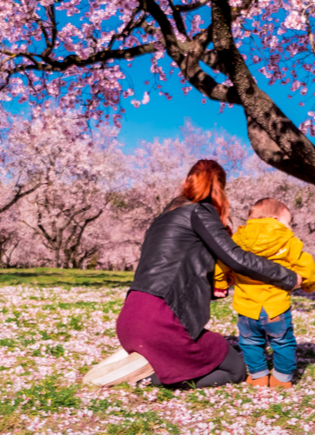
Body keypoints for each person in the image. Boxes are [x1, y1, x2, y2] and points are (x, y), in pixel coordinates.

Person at [101, 160, 302, 389]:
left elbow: (176, 270)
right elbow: (236, 257)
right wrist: (287, 276)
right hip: (160, 320)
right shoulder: (200, 211)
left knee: (200, 353)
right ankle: (145, 379)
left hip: (130, 319)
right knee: (234, 369)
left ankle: (150, 361)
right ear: (220, 189)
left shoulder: (162, 220)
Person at [213, 198, 315, 388]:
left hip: (247, 307)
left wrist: (220, 284)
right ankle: (281, 379)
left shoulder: (238, 239)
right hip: (275, 306)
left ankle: (258, 376)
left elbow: (221, 264)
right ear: (275, 219)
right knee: (283, 342)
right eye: (288, 222)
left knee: (250, 342)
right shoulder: (288, 240)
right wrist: (309, 285)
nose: (289, 227)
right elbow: (307, 265)